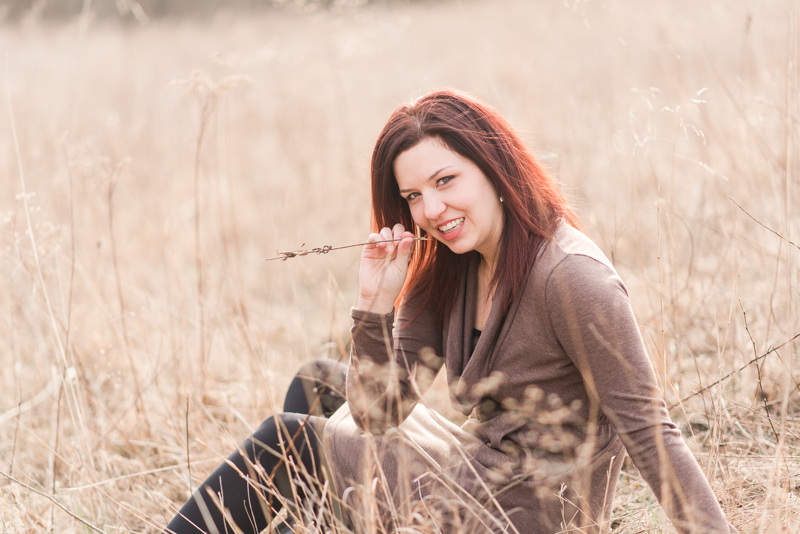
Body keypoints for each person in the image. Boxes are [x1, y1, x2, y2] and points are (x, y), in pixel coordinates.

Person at [164, 90, 737, 534]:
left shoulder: (572, 278)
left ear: (493, 164)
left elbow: (650, 432)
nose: (432, 209)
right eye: (413, 196)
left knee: (286, 441)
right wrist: (374, 307)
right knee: (318, 384)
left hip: (520, 514)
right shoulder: (450, 263)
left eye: (445, 181)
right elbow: (379, 415)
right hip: (476, 468)